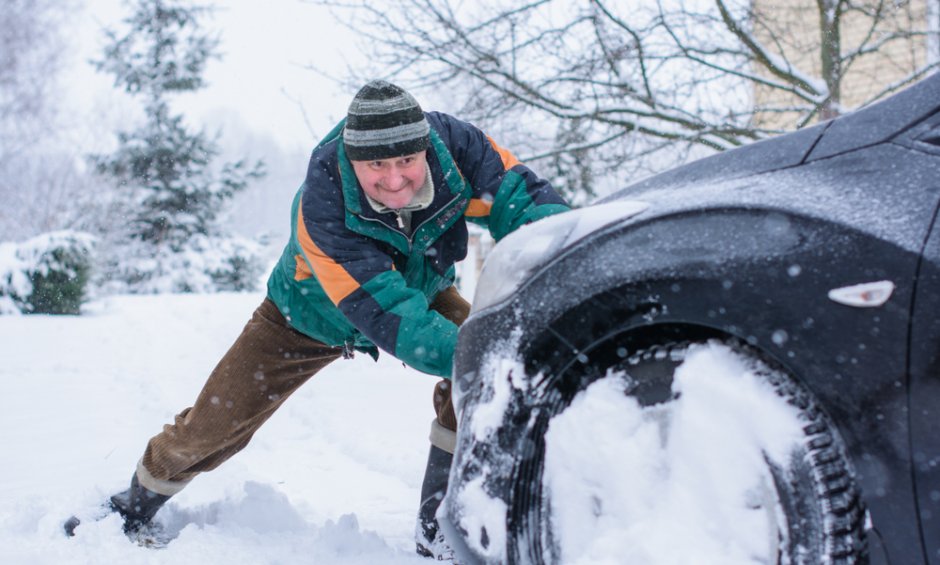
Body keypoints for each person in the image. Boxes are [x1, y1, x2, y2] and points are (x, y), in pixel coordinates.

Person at [82, 80, 569, 558]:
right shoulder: (323, 204)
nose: (395, 179)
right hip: (304, 317)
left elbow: (527, 206)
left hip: (423, 288)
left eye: (406, 161)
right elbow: (391, 315)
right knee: (214, 425)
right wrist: (486, 354)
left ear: (427, 149)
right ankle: (132, 506)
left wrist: (578, 267)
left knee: (483, 369)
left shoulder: (459, 151)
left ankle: (437, 525)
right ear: (352, 159)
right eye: (376, 164)